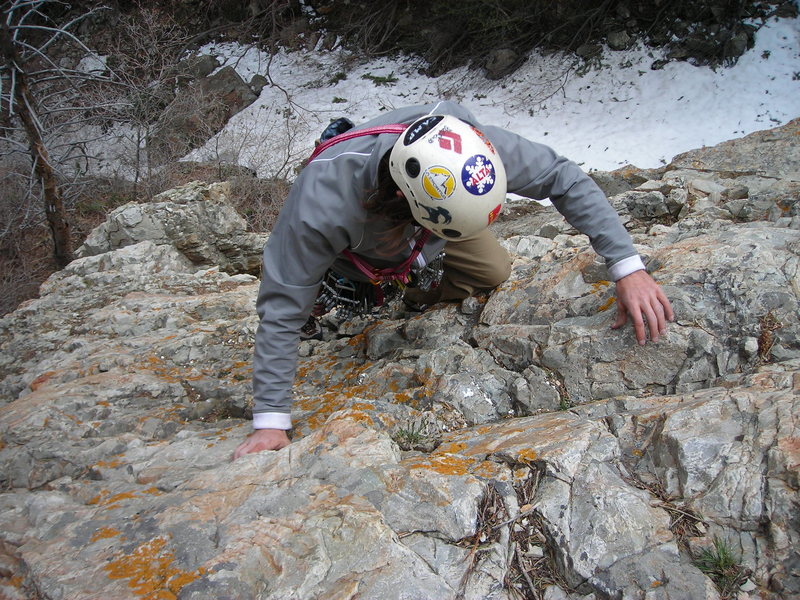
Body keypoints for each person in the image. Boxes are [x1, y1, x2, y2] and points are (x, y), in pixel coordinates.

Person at [233, 100, 674, 459]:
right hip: (353, 249)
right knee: (313, 283)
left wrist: (627, 266)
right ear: (410, 206)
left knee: (493, 270)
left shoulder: (463, 145)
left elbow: (561, 176)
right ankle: (344, 285)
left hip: (432, 228)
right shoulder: (320, 204)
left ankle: (410, 287)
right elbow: (280, 310)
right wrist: (271, 420)